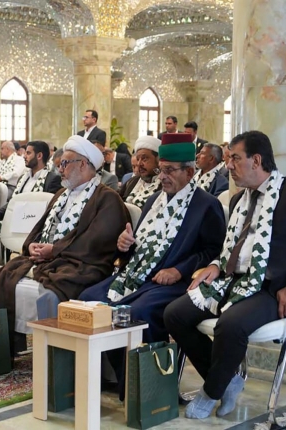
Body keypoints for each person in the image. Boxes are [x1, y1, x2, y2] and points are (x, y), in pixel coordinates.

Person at [164, 130, 286, 419]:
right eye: (228, 159)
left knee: (230, 324)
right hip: (234, 281)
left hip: (275, 288)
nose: (228, 165)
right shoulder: (239, 199)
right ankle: (226, 380)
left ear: (257, 160)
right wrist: (216, 265)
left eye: (235, 159)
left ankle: (210, 392)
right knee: (175, 314)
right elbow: (232, 248)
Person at [78, 132, 225, 400]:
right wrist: (125, 244)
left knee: (138, 312)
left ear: (189, 171)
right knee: (89, 299)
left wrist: (179, 270)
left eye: (169, 171)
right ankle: (120, 378)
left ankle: (151, 391)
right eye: (161, 170)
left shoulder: (207, 205)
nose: (162, 177)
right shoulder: (153, 201)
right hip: (138, 274)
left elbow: (212, 252)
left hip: (177, 281)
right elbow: (140, 246)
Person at [0, 135, 128, 354]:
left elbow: (97, 243)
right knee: (1, 276)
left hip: (82, 265)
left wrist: (55, 250)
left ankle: (55, 356)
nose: (59, 169)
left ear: (83, 164)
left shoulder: (107, 198)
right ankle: (5, 349)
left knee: (53, 291)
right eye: (59, 164)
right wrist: (32, 245)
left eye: (64, 163)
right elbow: (40, 227)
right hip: (49, 260)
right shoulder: (62, 194)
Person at [119, 136, 162, 208]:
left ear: (158, 160)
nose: (139, 164)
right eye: (138, 159)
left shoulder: (165, 185)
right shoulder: (132, 181)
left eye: (144, 159)